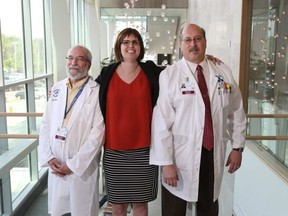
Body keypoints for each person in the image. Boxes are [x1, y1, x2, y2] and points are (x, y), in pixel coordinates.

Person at [149, 23, 246, 216]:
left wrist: (237, 147)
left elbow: (237, 110)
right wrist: (166, 162)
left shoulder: (222, 71)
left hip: (211, 153)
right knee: (174, 210)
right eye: (187, 40)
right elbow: (161, 123)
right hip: (179, 156)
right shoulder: (170, 75)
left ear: (205, 42)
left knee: (208, 208)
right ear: (180, 45)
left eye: (197, 39)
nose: (193, 44)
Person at [96, 28, 163, 216]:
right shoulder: (107, 73)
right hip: (114, 151)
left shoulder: (151, 71)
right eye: (125, 42)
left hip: (144, 151)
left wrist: (206, 60)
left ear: (140, 47)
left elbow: (179, 73)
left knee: (140, 204)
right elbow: (86, 91)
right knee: (118, 206)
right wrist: (60, 90)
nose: (130, 46)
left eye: (135, 42)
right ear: (119, 46)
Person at [39, 45, 105, 216]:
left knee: (82, 211)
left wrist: (73, 165)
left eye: (80, 59)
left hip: (81, 168)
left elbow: (97, 136)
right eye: (70, 58)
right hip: (56, 162)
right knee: (58, 210)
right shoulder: (57, 88)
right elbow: (46, 124)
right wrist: (48, 156)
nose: (73, 62)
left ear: (88, 64)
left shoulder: (97, 92)